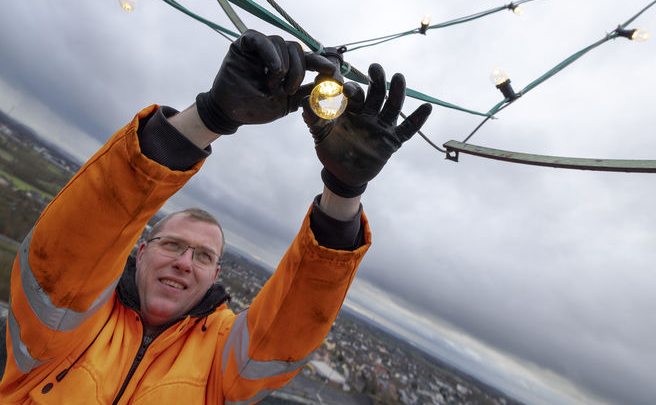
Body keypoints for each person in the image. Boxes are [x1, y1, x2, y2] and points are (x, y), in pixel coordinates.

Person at [0, 30, 431, 404]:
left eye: (204, 257)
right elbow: (78, 242)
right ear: (142, 250)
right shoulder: (68, 322)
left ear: (216, 274)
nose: (185, 262)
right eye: (172, 244)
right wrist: (210, 116)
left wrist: (343, 192)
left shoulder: (223, 360)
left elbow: (292, 323)